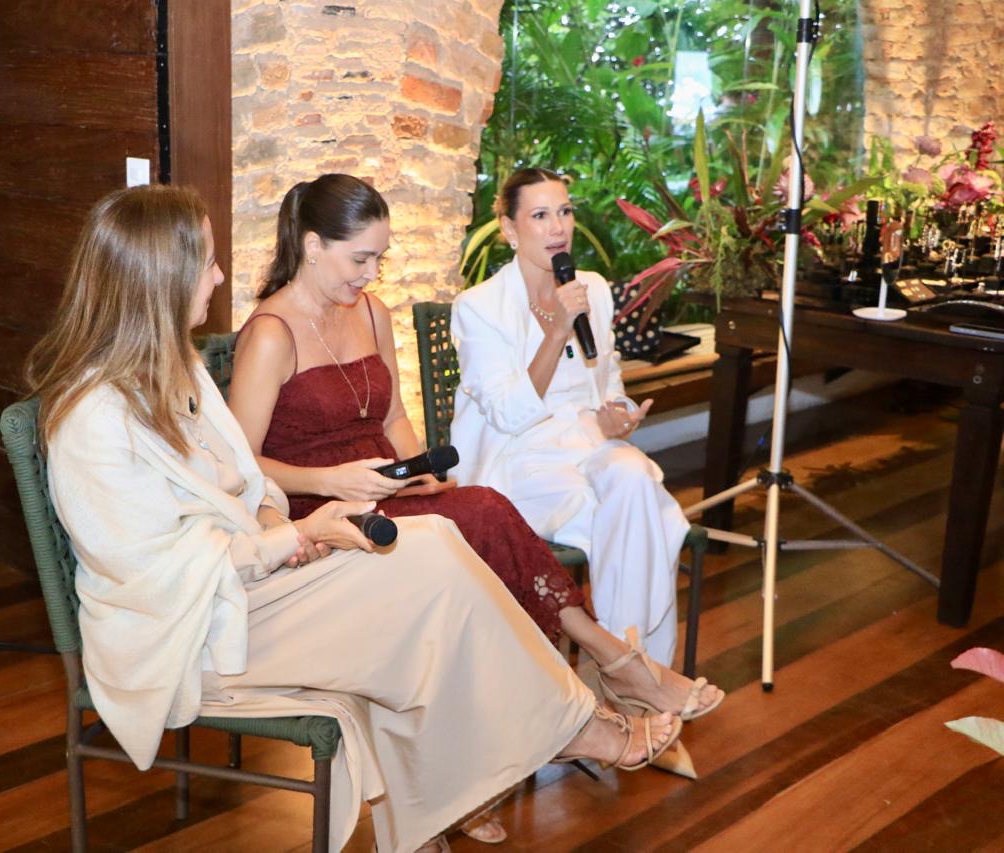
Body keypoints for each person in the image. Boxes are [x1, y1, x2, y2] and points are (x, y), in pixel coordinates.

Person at [24, 185, 681, 853]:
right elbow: (150, 571)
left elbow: (248, 481)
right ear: (157, 277)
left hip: (248, 585)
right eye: (208, 261)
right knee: (426, 572)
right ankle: (571, 727)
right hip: (188, 628)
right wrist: (296, 535)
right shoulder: (92, 418)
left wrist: (285, 527)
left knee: (434, 544)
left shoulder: (178, 372)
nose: (220, 275)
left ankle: (494, 769)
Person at [227, 175, 721, 834]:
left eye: (380, 258)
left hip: (385, 487)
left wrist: (420, 471)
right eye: (360, 259)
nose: (372, 274)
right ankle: (607, 667)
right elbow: (237, 465)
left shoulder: (369, 312)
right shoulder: (269, 334)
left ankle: (519, 739)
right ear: (312, 246)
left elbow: (395, 415)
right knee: (482, 517)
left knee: (477, 511)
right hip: (321, 511)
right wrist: (334, 478)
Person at [450, 166, 695, 668]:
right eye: (540, 215)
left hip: (587, 445)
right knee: (637, 516)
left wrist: (617, 418)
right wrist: (559, 328)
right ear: (510, 230)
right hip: (516, 459)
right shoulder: (479, 308)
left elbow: (608, 385)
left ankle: (627, 672)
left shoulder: (593, 290)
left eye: (564, 212)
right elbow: (508, 414)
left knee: (631, 476)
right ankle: (643, 673)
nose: (558, 228)